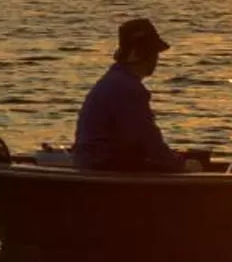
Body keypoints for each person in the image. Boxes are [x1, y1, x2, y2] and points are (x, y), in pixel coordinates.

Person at [73, 17, 195, 173]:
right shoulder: (126, 88)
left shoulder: (113, 80)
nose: (156, 59)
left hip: (91, 163)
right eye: (151, 53)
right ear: (137, 54)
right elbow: (146, 139)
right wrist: (181, 165)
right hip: (103, 166)